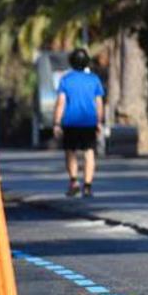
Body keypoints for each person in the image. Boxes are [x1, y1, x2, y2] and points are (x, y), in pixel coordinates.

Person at [53, 48, 105, 197]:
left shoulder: (66, 80)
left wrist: (57, 122)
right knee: (89, 153)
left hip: (71, 122)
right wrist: (99, 121)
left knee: (70, 152)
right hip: (89, 122)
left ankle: (74, 182)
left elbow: (61, 103)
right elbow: (99, 103)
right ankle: (87, 186)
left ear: (71, 62)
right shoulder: (94, 79)